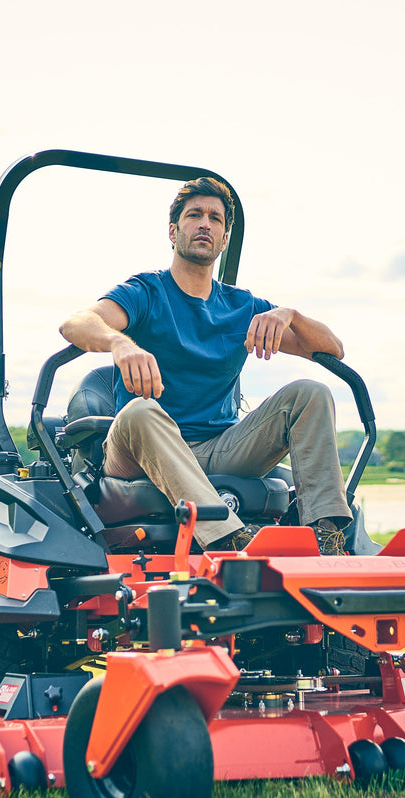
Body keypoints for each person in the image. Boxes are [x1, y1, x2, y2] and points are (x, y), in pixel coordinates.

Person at [59, 176, 352, 554]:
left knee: (310, 393)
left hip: (218, 448)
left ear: (224, 238)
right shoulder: (146, 292)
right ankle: (232, 541)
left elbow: (333, 349)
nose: (205, 224)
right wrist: (119, 343)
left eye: (215, 218)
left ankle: (325, 537)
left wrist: (290, 315)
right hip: (139, 451)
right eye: (194, 215)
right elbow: (75, 324)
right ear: (173, 230)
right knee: (140, 410)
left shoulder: (241, 307)